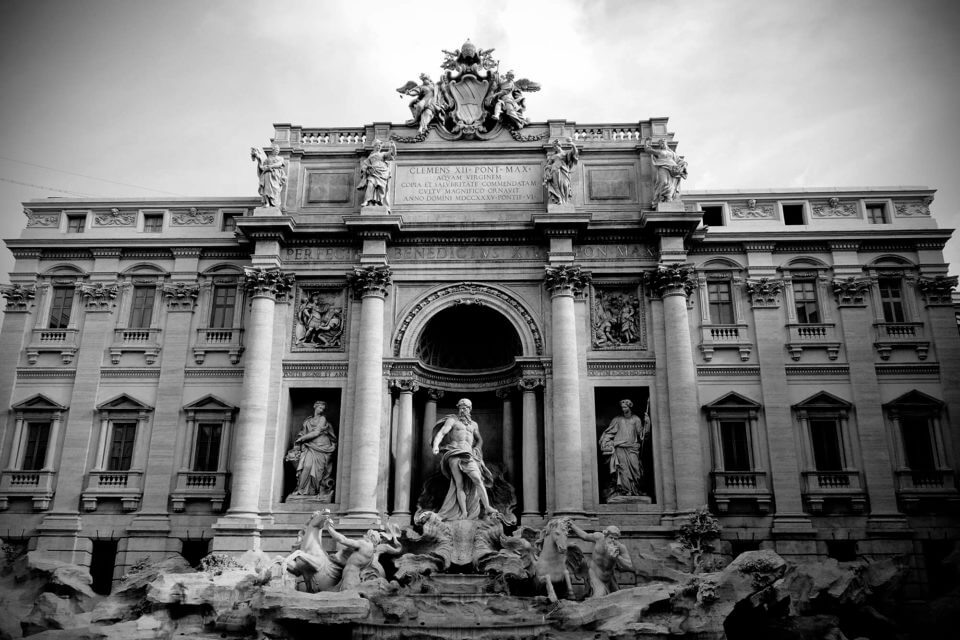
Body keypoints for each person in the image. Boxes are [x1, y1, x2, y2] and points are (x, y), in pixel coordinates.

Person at [430, 398, 498, 520]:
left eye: (465, 407)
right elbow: (441, 433)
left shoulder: (474, 424)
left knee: (478, 479)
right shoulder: (452, 420)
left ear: (470, 409)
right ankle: (464, 512)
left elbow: (479, 439)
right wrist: (435, 445)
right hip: (454, 453)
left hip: (469, 454)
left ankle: (487, 507)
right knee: (459, 484)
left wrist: (477, 448)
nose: (463, 409)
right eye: (461, 407)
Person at [324, 521, 401, 591]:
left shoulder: (364, 544)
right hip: (352, 578)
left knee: (346, 601)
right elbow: (355, 563)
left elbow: (342, 540)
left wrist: (329, 528)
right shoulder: (372, 553)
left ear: (371, 537)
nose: (364, 536)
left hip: (350, 578)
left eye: (367, 535)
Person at [599, 399, 650, 498]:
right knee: (622, 470)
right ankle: (626, 491)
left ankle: (635, 489)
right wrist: (605, 441)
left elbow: (642, 435)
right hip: (620, 447)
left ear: (630, 407)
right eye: (622, 407)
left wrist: (647, 423)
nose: (623, 409)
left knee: (636, 470)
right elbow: (609, 433)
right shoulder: (617, 419)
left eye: (625, 407)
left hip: (632, 448)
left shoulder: (636, 419)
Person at [569, 523, 634, 597]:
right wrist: (572, 525)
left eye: (615, 539)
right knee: (599, 596)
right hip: (595, 574)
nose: (613, 540)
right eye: (611, 537)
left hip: (609, 578)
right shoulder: (598, 538)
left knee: (618, 598)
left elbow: (629, 566)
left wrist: (618, 557)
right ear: (605, 536)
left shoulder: (621, 548)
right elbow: (584, 536)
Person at [291, 401, 337, 500]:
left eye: (323, 409)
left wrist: (302, 439)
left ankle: (313, 492)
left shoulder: (322, 419)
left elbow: (316, 432)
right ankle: (301, 490)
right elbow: (302, 432)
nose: (322, 410)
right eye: (320, 408)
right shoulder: (307, 421)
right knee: (306, 466)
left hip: (322, 447)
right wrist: (300, 438)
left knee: (318, 472)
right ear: (315, 407)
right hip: (310, 446)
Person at [643, 137, 688, 205]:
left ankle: (667, 198)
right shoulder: (659, 152)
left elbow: (679, 161)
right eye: (660, 143)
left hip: (673, 169)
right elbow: (648, 150)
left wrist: (684, 164)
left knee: (671, 185)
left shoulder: (672, 153)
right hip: (663, 167)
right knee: (664, 182)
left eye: (663, 142)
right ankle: (661, 197)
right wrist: (647, 142)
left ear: (666, 143)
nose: (662, 144)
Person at [357, 139, 398, 208]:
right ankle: (366, 201)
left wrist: (393, 147)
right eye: (377, 145)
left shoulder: (382, 154)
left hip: (382, 172)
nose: (379, 147)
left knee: (381, 188)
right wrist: (367, 168)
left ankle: (379, 201)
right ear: (374, 146)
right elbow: (365, 165)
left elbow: (392, 154)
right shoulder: (370, 156)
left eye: (380, 146)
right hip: (372, 172)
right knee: (370, 184)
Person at [543, 137, 580, 205]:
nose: (555, 148)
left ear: (559, 145)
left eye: (555, 146)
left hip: (563, 170)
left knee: (565, 185)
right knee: (556, 186)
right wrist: (547, 169)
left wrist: (572, 144)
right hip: (554, 170)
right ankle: (559, 198)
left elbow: (574, 153)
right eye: (554, 147)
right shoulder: (553, 156)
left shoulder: (565, 153)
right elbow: (547, 165)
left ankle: (565, 201)